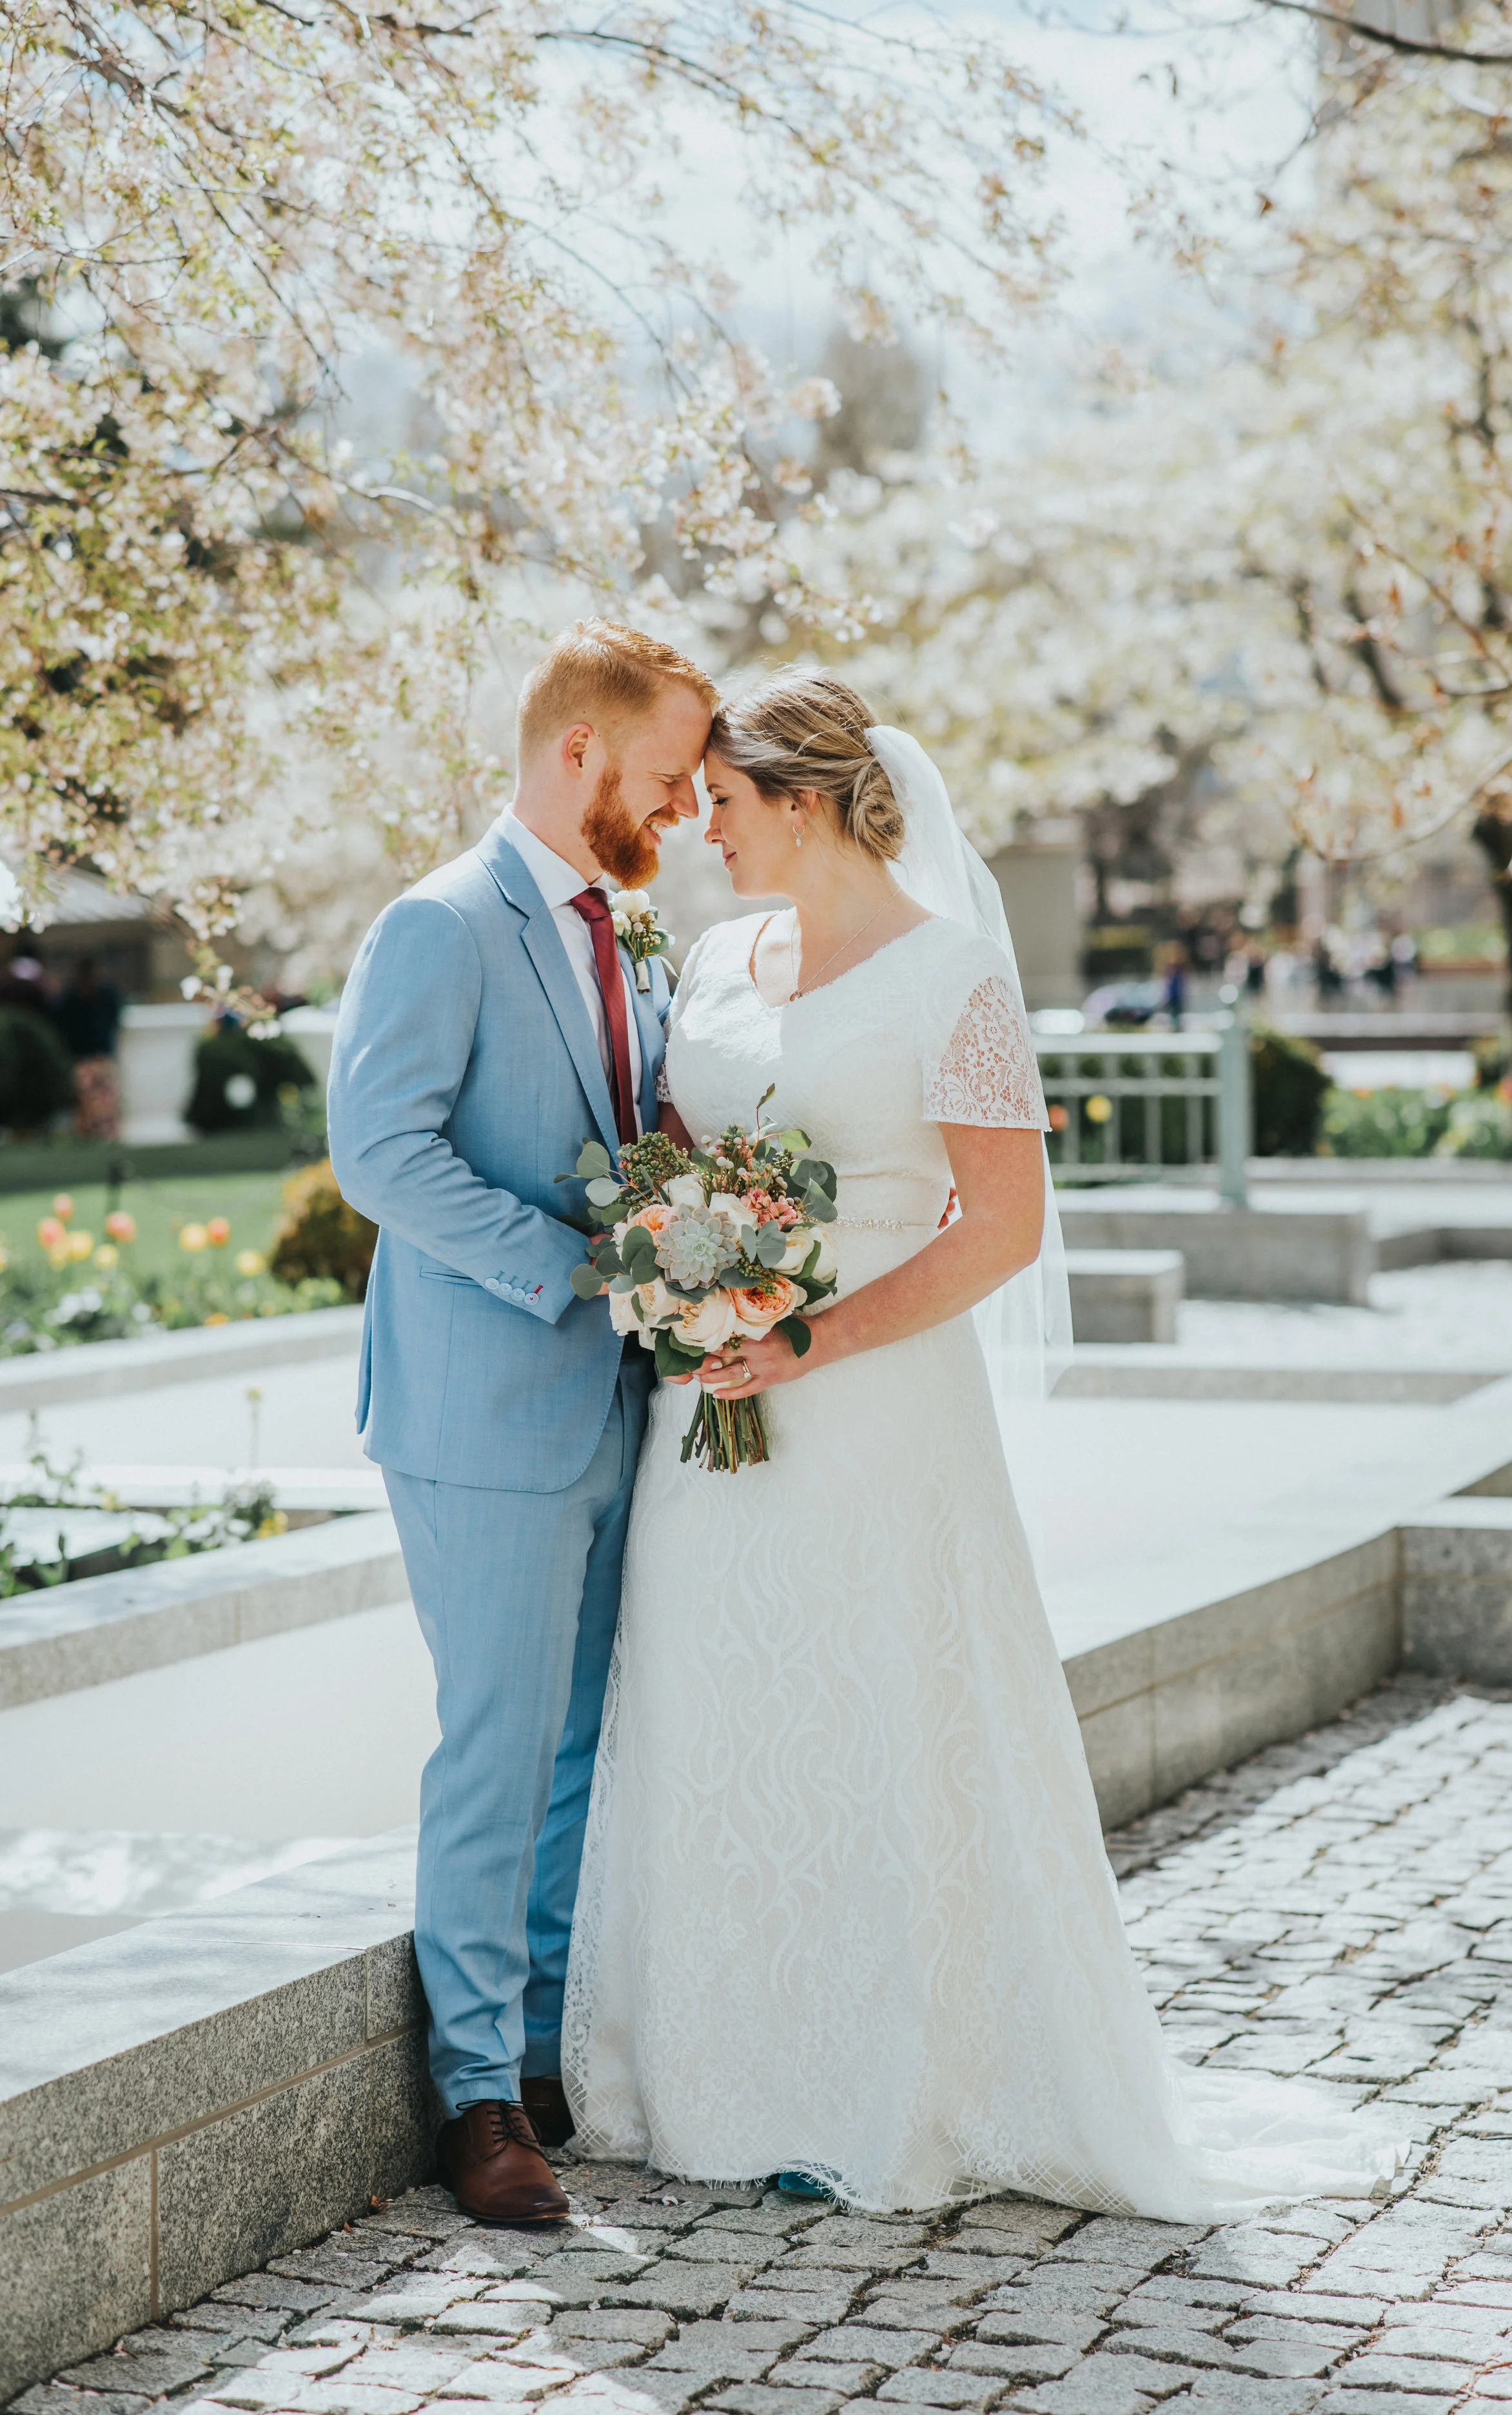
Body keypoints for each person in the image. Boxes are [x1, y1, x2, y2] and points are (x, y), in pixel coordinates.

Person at [562, 670, 1406, 2217]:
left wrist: (804, 1334)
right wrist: (682, 1261)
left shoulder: (954, 981)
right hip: (712, 1408)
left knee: (882, 1720)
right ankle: (712, 2078)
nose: (704, 834)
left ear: (804, 802)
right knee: (716, 1704)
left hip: (874, 1411)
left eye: (728, 806)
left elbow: (1002, 1228)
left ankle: (892, 2087)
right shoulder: (724, 951)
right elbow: (686, 1150)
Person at [328, 620, 716, 2226]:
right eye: (669, 774)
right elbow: (379, 1152)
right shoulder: (439, 925)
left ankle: (545, 2056)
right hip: (486, 1413)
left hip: (621, 1410)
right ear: (581, 756)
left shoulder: (622, 930)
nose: (689, 806)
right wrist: (573, 1270)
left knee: (574, 1750)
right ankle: (474, 2099)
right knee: (497, 1752)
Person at [54, 955, 124, 1141]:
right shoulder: (70, 997)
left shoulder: (106, 994)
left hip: (99, 1056)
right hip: (82, 1058)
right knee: (85, 1102)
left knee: (105, 1101)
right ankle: (88, 1135)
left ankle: (107, 1135)